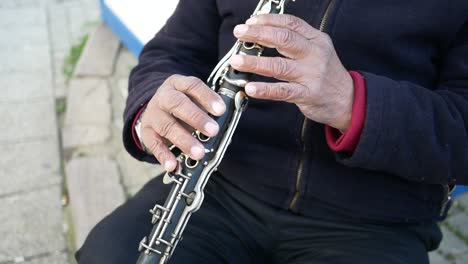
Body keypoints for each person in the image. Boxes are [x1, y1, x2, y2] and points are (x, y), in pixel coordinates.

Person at [76, 0, 468, 263]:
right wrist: (153, 107)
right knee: (109, 253)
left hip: (373, 218)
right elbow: (171, 52)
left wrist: (353, 104)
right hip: (221, 189)